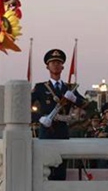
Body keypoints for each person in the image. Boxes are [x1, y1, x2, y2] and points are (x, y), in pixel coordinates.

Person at [31, 48, 85, 180]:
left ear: (63, 67)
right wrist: (39, 118)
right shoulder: (41, 87)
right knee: (46, 165)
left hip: (63, 130)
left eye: (58, 63)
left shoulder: (69, 88)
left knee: (61, 165)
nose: (56, 65)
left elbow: (85, 106)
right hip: (47, 129)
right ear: (47, 66)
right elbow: (23, 107)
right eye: (53, 62)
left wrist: (74, 99)